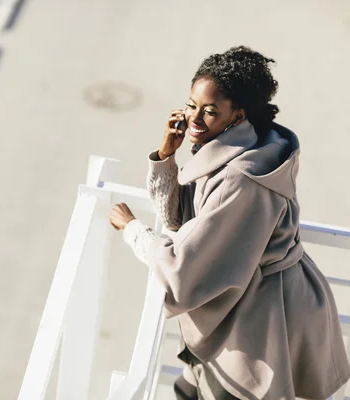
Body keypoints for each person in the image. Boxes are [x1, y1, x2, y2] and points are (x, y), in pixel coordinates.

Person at [108, 46, 350, 399]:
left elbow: (181, 270)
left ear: (238, 115)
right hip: (251, 306)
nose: (194, 118)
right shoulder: (248, 144)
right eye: (191, 105)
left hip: (257, 323)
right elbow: (179, 219)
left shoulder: (239, 179)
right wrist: (164, 157)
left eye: (209, 111)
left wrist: (133, 230)